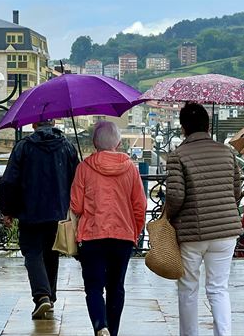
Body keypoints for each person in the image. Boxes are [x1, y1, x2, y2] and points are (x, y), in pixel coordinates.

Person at [165, 102, 243, 336]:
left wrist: (168, 216)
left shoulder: (178, 156)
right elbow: (236, 190)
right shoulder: (227, 152)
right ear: (207, 126)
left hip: (193, 232)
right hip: (226, 232)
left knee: (188, 288)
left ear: (183, 128)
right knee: (219, 289)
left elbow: (176, 196)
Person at [70, 121, 146, 336]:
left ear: (94, 143)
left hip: (92, 236)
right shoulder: (131, 168)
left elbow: (76, 206)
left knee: (94, 287)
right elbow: (139, 206)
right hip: (122, 236)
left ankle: (100, 326)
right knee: (116, 287)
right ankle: (112, 332)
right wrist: (135, 232)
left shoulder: (84, 168)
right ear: (118, 143)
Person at [0, 119, 79, 319]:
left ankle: (42, 295)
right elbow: (77, 180)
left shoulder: (24, 147)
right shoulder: (67, 147)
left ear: (33, 124)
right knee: (52, 254)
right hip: (58, 212)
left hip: (30, 211)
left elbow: (9, 181)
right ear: (53, 122)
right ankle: (50, 297)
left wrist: (8, 210)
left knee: (33, 254)